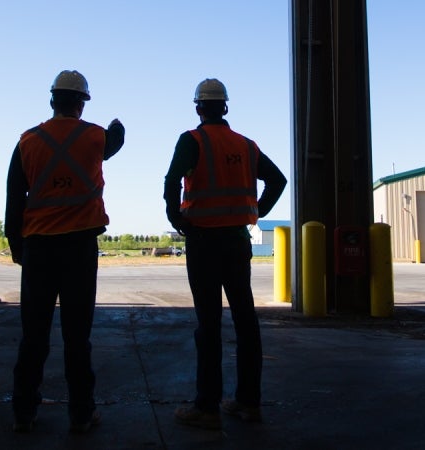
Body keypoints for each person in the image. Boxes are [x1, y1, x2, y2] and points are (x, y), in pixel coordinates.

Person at [5, 69, 124, 434]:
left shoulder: (27, 141)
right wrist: (118, 124)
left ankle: (24, 412)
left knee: (34, 335)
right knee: (77, 336)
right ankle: (81, 414)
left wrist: (17, 247)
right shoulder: (94, 137)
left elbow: (13, 201)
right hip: (79, 248)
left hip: (39, 248)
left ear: (51, 100)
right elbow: (116, 138)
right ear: (81, 103)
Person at [165, 78, 287, 429]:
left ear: (199, 108)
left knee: (209, 324)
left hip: (203, 241)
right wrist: (256, 211)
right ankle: (249, 403)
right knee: (245, 320)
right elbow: (277, 179)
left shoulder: (192, 140)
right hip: (236, 240)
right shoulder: (246, 146)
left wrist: (177, 218)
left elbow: (172, 180)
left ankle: (207, 406)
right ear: (226, 108)